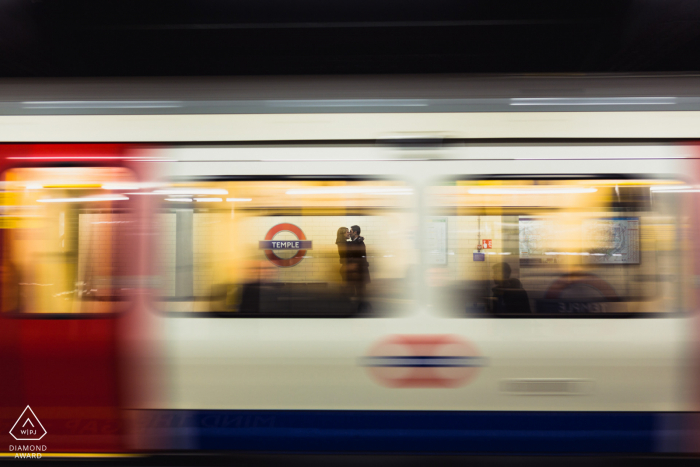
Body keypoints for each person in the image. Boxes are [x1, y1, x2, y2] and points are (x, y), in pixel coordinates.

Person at [347, 225, 370, 297]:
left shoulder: (359, 243)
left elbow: (361, 257)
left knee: (360, 291)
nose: (350, 233)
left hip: (358, 271)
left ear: (355, 232)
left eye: (350, 231)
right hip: (357, 271)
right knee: (358, 290)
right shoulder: (358, 242)